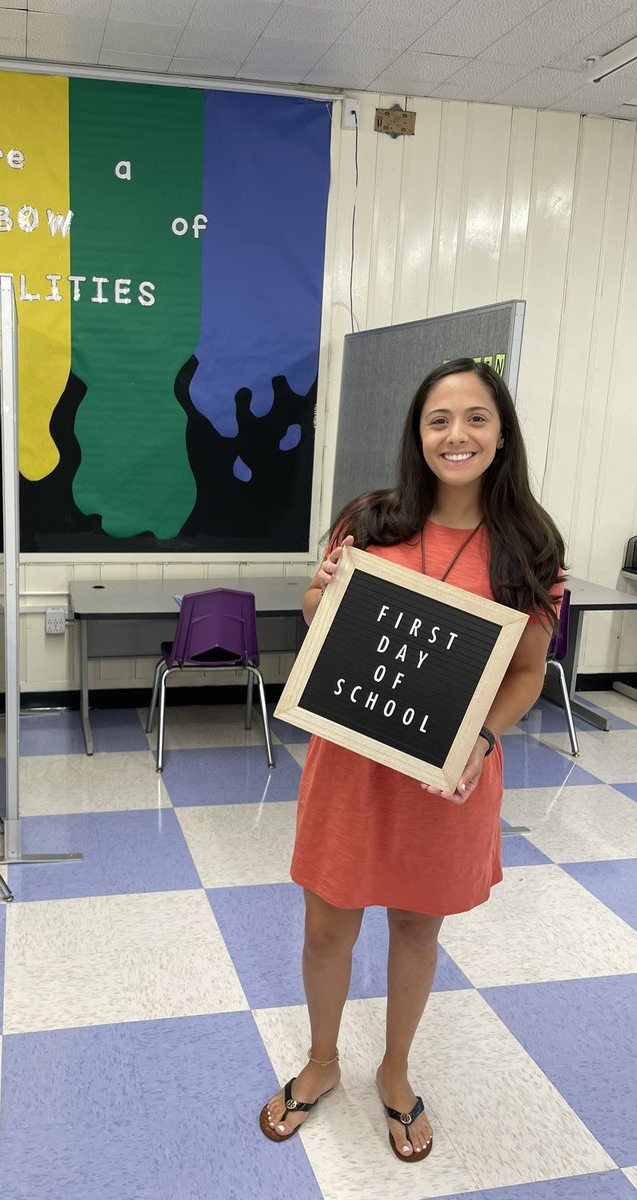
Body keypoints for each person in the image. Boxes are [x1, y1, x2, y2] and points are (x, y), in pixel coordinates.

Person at [260, 358, 565, 1161]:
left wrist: (483, 737)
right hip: (353, 767)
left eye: (475, 418)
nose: (456, 434)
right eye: (439, 419)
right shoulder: (369, 520)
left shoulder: (529, 546)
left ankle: (395, 1072)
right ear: (417, 433)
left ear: (501, 435)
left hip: (446, 777)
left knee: (415, 926)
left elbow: (528, 671)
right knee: (327, 926)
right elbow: (320, 616)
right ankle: (323, 1063)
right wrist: (318, 595)